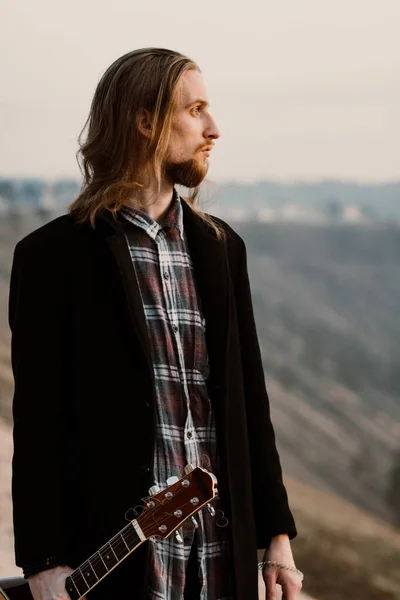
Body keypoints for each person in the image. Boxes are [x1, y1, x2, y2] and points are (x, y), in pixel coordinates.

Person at [8, 48, 302, 600]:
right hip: (122, 562)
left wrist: (277, 535)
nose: (213, 127)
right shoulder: (52, 257)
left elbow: (247, 403)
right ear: (145, 121)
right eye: (195, 110)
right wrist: (43, 561)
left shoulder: (222, 250)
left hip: (220, 560)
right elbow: (39, 421)